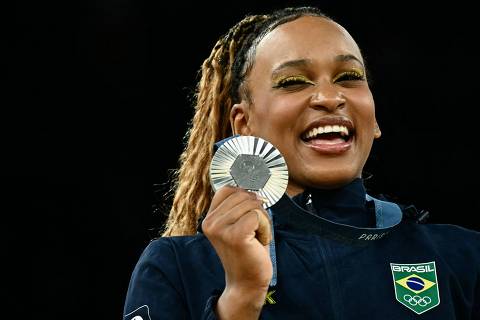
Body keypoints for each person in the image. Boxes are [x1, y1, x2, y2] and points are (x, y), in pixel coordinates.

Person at [123, 6, 480, 319]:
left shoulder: (462, 257)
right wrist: (242, 297)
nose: (329, 97)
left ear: (374, 119)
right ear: (244, 124)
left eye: (350, 77)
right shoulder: (177, 268)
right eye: (293, 82)